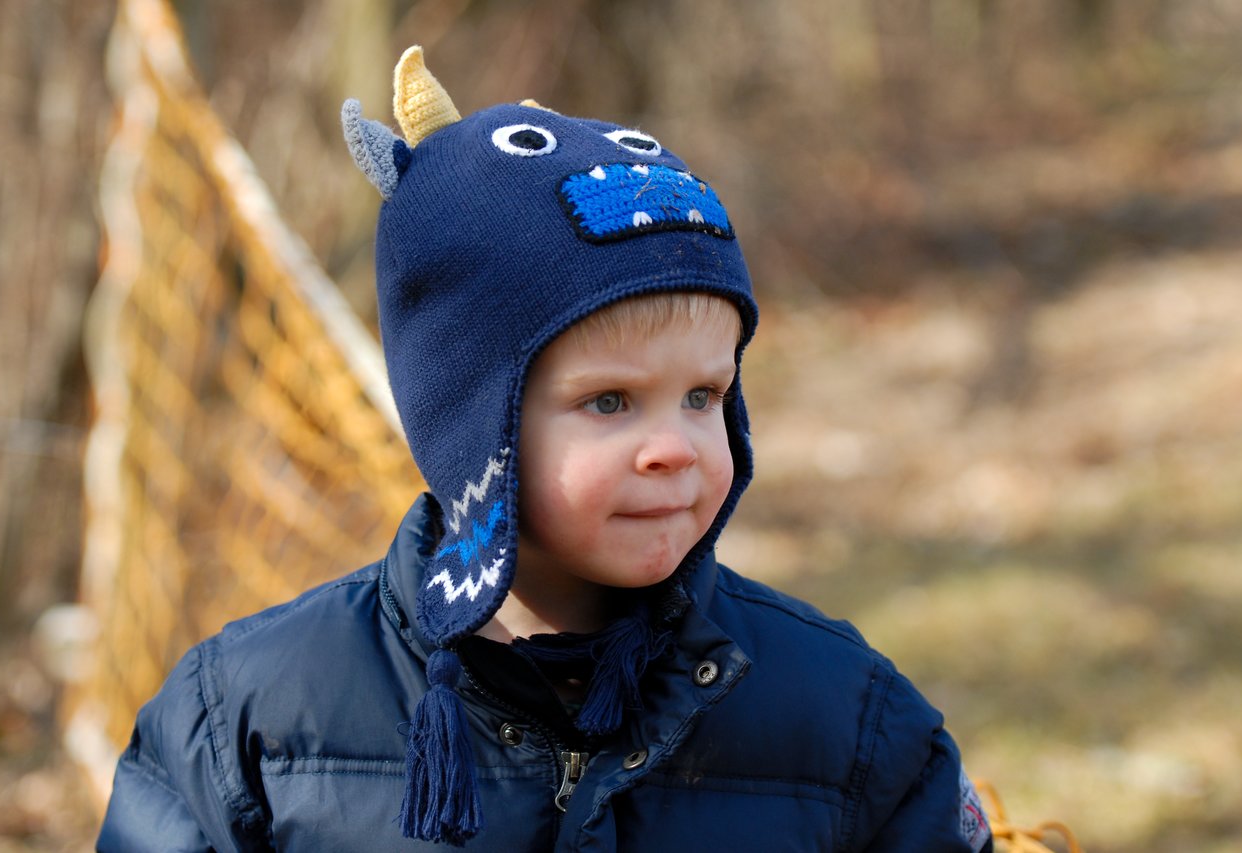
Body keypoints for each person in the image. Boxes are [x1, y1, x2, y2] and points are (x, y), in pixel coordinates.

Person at [97, 46, 992, 852]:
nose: (674, 448)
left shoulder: (850, 719)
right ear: (470, 421)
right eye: (610, 401)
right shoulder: (248, 721)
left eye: (704, 396)